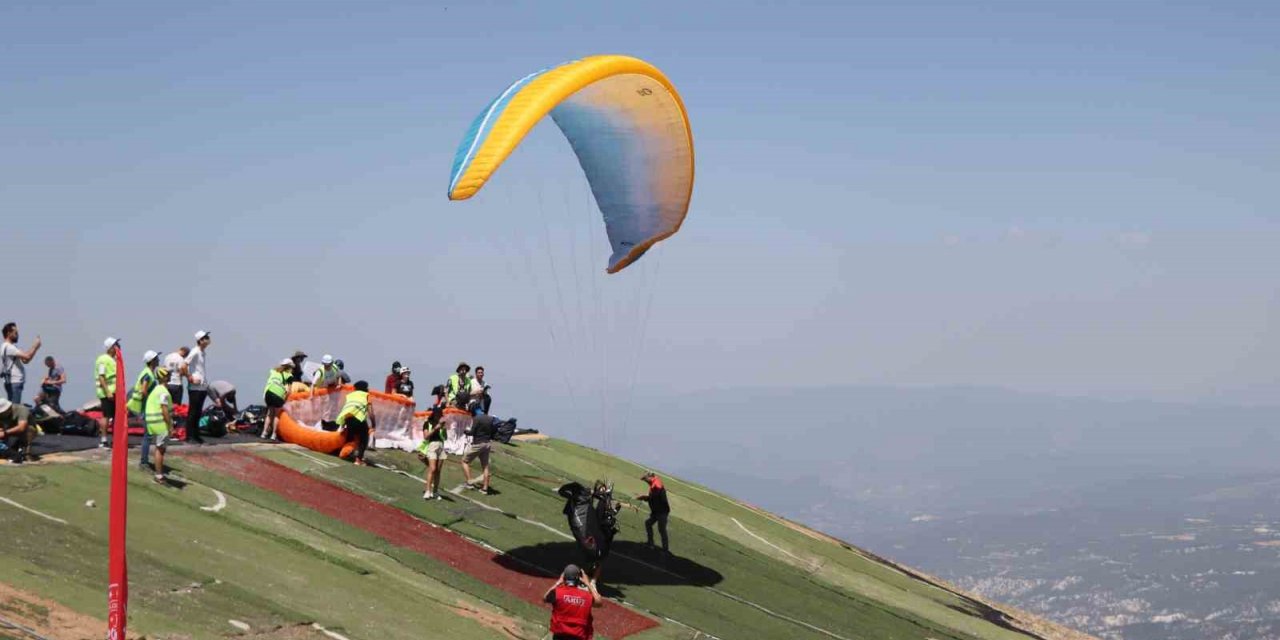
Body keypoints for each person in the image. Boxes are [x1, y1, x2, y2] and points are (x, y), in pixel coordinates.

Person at [542, 564, 602, 640]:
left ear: (564, 577)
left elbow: (545, 597)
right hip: (579, 636)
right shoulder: (586, 596)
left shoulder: (557, 593)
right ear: (579, 579)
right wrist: (588, 583)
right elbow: (599, 602)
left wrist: (558, 582)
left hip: (560, 635)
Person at [127, 351, 162, 470]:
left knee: (148, 435)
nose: (159, 359)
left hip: (146, 407)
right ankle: (144, 462)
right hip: (145, 407)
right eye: (157, 358)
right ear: (152, 361)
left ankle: (145, 460)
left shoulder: (149, 373)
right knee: (147, 436)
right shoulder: (148, 374)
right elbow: (144, 390)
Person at [144, 368, 175, 484]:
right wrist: (170, 425)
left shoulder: (157, 389)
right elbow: (164, 410)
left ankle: (159, 473)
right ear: (165, 377)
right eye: (169, 374)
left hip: (153, 422)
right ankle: (159, 475)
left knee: (159, 448)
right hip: (160, 423)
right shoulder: (163, 392)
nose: (171, 375)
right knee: (160, 449)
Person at [1, 322, 42, 404]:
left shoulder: (9, 347)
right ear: (9, 333)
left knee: (13, 407)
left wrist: (35, 348)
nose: (18, 335)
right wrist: (35, 346)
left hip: (12, 382)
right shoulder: (9, 347)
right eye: (15, 333)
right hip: (14, 382)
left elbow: (25, 360)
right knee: (15, 408)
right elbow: (27, 357)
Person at [182, 331, 211, 444]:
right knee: (193, 411)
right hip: (195, 387)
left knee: (198, 412)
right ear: (200, 340)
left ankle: (196, 435)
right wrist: (190, 377)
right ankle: (189, 436)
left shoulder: (202, 352)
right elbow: (184, 365)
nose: (208, 339)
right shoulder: (195, 351)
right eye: (205, 338)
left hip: (202, 386)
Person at [337, 380, 375, 466]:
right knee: (364, 439)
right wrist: (373, 424)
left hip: (348, 419)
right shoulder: (366, 395)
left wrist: (343, 424)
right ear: (364, 388)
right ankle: (358, 460)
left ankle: (344, 453)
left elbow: (347, 408)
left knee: (350, 437)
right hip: (358, 419)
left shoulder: (350, 395)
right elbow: (371, 412)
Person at [95, 337, 121, 448]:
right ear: (110, 347)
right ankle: (104, 440)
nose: (118, 347)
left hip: (115, 391)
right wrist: (108, 392)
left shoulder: (113, 359)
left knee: (115, 416)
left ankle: (116, 439)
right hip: (107, 392)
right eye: (115, 345)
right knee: (106, 415)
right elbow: (101, 377)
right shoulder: (103, 359)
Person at [416, 406, 447, 500]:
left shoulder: (442, 424)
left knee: (438, 471)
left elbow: (445, 438)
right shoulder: (427, 423)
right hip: (432, 446)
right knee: (432, 469)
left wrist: (444, 429)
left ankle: (435, 491)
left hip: (441, 447)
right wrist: (435, 429)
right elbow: (426, 437)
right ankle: (427, 491)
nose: (440, 416)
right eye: (439, 414)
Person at [637, 472, 671, 553]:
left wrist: (644, 497)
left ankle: (665, 550)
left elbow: (654, 498)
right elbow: (653, 497)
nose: (646, 481)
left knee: (661, 529)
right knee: (648, 523)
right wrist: (645, 498)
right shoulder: (654, 484)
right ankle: (650, 543)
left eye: (645, 479)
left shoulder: (656, 485)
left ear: (650, 477)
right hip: (657, 511)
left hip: (662, 511)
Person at [462, 413, 496, 494]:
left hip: (478, 444)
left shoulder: (477, 418)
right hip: (487, 444)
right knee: (485, 466)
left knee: (464, 461)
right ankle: (485, 488)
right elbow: (493, 432)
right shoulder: (491, 418)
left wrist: (466, 431)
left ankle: (469, 482)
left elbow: (472, 432)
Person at [0, 398, 37, 464]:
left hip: (24, 431)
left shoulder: (21, 409)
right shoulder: (2, 415)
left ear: (8, 409)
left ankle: (27, 452)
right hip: (8, 431)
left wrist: (5, 433)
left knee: (29, 430)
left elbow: (21, 427)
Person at [261, 359, 291, 441]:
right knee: (276, 415)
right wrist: (285, 400)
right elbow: (288, 391)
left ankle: (264, 433)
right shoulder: (289, 375)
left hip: (268, 393)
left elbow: (269, 381)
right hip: (278, 395)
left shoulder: (273, 371)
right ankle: (273, 434)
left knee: (269, 413)